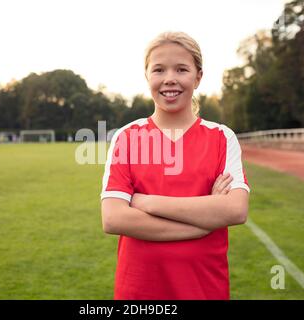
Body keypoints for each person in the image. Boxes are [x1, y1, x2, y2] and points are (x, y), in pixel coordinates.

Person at [100, 31, 250, 300]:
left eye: (181, 69)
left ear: (198, 77)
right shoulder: (128, 137)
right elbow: (114, 218)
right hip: (139, 293)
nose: (169, 78)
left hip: (204, 290)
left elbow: (235, 210)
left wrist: (147, 203)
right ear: (147, 76)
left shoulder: (221, 137)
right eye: (159, 69)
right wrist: (204, 223)